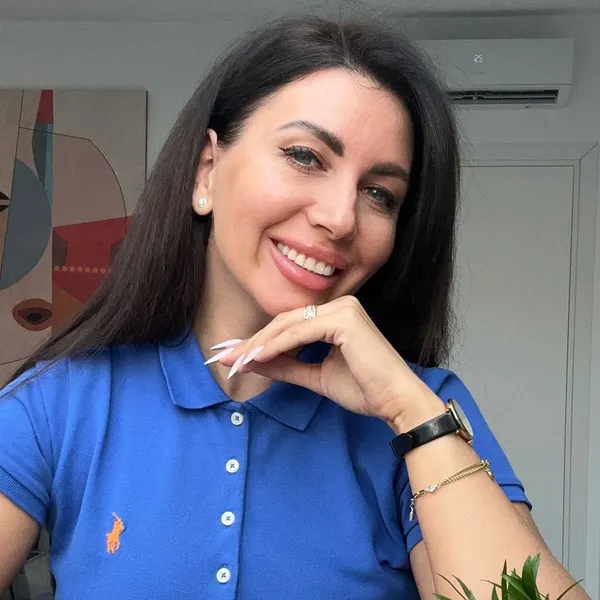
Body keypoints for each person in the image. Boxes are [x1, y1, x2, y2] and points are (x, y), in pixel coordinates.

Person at [0, 14, 587, 600]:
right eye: (306, 157)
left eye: (379, 194)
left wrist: (410, 412)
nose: (340, 217)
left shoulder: (427, 411)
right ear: (207, 171)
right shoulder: (62, 402)